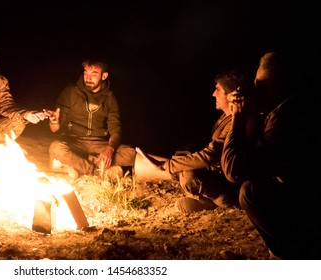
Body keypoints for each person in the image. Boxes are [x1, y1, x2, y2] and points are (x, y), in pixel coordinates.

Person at [222, 51, 321, 259]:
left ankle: (292, 258)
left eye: (259, 85)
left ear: (276, 88)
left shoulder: (285, 117)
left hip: (306, 199)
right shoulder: (291, 106)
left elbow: (234, 169)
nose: (254, 89)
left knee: (251, 192)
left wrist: (238, 118)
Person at [145, 70, 246, 213]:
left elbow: (210, 155)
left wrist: (167, 165)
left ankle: (219, 200)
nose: (213, 94)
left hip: (229, 182)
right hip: (219, 172)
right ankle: (207, 200)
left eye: (218, 90)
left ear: (231, 96)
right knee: (184, 158)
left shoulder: (235, 122)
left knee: (189, 175)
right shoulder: (225, 117)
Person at [46, 58, 136, 180]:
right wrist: (54, 122)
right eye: (85, 73)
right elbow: (54, 129)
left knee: (130, 153)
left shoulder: (110, 98)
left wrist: (109, 149)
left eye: (93, 74)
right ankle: (96, 171)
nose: (88, 78)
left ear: (104, 76)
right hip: (74, 141)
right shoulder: (70, 93)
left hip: (98, 143)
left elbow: (116, 130)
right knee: (56, 147)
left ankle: (82, 164)